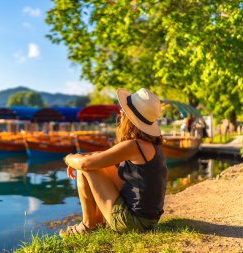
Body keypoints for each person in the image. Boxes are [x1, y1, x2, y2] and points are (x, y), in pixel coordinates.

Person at [60, 88, 168, 236]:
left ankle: (88, 225)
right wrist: (81, 158)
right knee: (95, 163)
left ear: (128, 118)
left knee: (85, 167)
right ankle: (95, 222)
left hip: (133, 222)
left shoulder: (134, 146)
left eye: (123, 111)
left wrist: (69, 158)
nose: (120, 113)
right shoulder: (151, 145)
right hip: (148, 219)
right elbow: (102, 157)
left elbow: (85, 164)